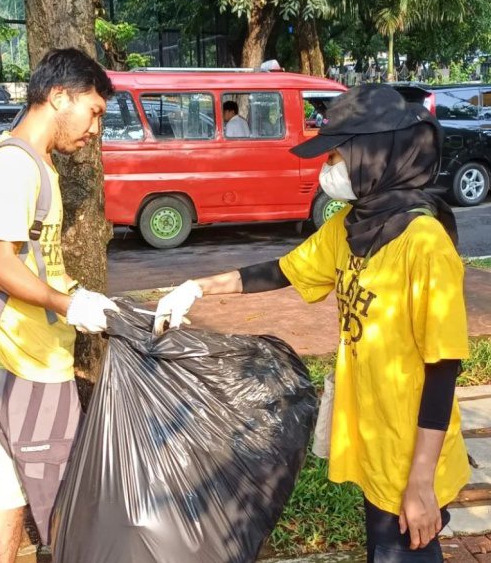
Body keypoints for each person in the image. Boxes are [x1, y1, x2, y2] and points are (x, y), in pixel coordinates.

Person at [154, 84, 470, 563]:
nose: (328, 169)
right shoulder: (351, 225)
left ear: (372, 155)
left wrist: (421, 483)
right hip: (373, 437)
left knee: (401, 553)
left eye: (336, 156)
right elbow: (282, 270)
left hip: (412, 454)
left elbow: (443, 368)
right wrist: (197, 286)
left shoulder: (424, 245)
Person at [0, 48, 119, 563]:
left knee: (9, 486)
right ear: (59, 96)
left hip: (20, 358)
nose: (95, 128)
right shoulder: (15, 167)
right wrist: (67, 303)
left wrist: (76, 296)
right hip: (30, 365)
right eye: (94, 112)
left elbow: (34, 261)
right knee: (60, 500)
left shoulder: (39, 165)